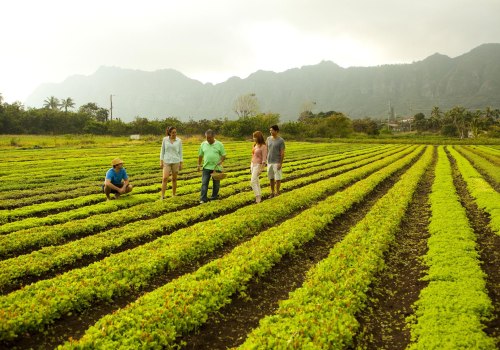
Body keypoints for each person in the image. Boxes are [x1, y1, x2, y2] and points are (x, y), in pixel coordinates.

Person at [197, 129, 226, 203]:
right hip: (206, 167)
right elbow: (200, 155)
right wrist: (199, 165)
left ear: (213, 137)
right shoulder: (203, 144)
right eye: (207, 138)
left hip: (216, 168)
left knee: (216, 184)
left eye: (210, 138)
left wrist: (221, 161)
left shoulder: (219, 144)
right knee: (204, 183)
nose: (208, 139)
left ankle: (214, 197)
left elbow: (223, 155)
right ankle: (203, 199)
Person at [160, 126, 183, 199]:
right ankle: (162, 195)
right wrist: (161, 161)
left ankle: (173, 195)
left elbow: (180, 152)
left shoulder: (179, 140)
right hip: (167, 161)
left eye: (175, 132)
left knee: (174, 179)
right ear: (169, 133)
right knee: (165, 178)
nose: (174, 134)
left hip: (176, 161)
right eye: (173, 132)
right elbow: (162, 151)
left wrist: (181, 163)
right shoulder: (165, 139)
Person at [266, 124, 285, 197]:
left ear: (276, 131)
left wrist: (280, 163)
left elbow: (282, 153)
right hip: (269, 161)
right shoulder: (268, 139)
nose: (270, 131)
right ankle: (272, 192)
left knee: (277, 178)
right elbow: (266, 149)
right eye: (270, 130)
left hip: (277, 161)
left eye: (272, 130)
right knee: (271, 178)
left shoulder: (281, 140)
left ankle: (277, 192)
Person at [250, 131, 267, 203]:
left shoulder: (263, 146)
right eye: (253, 137)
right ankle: (259, 196)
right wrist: (250, 165)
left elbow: (264, 159)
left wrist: (261, 169)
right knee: (256, 181)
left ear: (259, 137)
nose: (254, 138)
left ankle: (257, 197)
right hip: (253, 164)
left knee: (252, 181)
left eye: (255, 137)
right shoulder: (255, 145)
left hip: (258, 165)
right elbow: (253, 155)